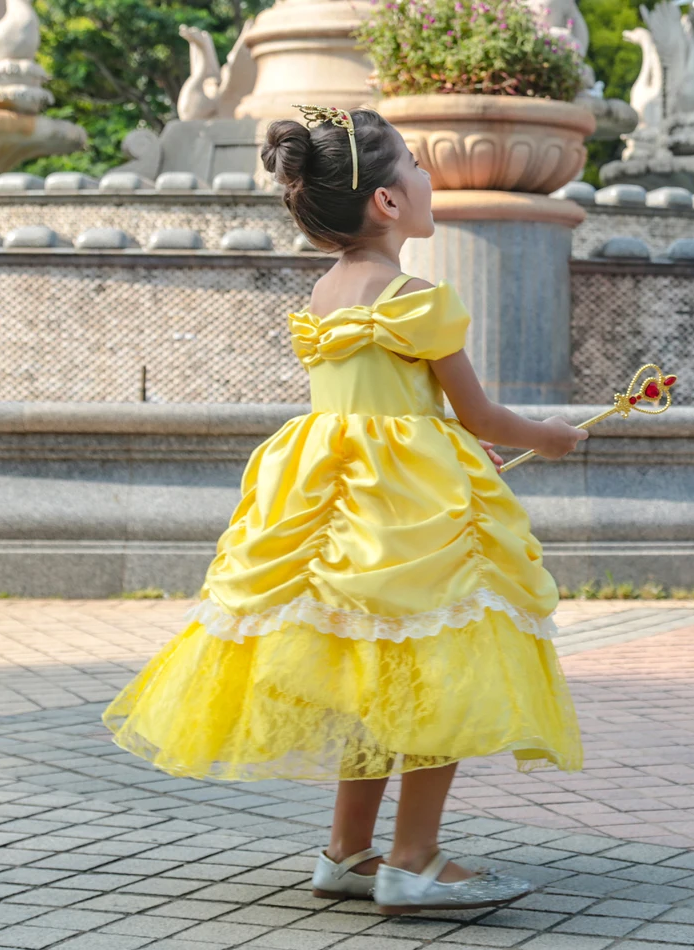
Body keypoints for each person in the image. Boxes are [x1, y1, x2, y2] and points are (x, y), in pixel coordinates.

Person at [102, 104, 587, 915]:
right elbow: (481, 420)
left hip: (329, 493)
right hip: (408, 505)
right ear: (389, 202)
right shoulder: (416, 299)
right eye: (418, 165)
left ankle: (348, 852)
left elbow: (380, 404)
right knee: (443, 665)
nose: (430, 178)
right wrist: (555, 435)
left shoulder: (326, 291)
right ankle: (416, 859)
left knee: (371, 669)